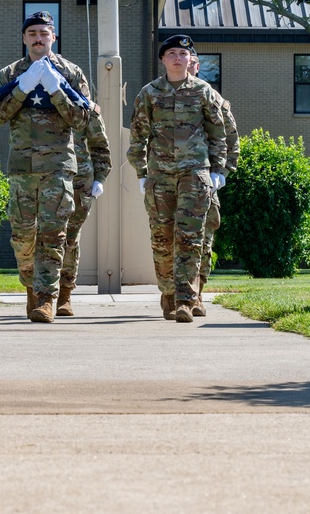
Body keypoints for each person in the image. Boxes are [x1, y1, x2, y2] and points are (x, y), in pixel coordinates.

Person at [0, 11, 91, 323]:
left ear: (53, 38)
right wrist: (23, 88)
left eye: (44, 33)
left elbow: (82, 119)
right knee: (22, 237)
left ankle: (46, 299)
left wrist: (57, 91)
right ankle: (31, 288)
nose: (38, 38)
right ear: (24, 38)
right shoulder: (9, 74)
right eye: (32, 33)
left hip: (58, 166)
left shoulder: (71, 73)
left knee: (54, 234)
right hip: (21, 167)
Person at [127, 34, 227, 323]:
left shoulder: (203, 91)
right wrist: (141, 172)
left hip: (195, 174)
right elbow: (138, 135)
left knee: (190, 238)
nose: (177, 58)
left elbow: (217, 133)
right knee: (162, 238)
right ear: (162, 59)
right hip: (160, 175)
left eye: (183, 54)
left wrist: (217, 170)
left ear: (190, 59)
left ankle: (186, 299)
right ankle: (168, 294)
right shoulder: (149, 93)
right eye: (171, 53)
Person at [188, 53, 240, 317]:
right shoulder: (160, 95)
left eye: (192, 62)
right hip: (171, 181)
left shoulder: (215, 100)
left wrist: (222, 173)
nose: (186, 65)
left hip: (205, 182)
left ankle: (196, 294)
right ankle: (177, 295)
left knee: (204, 241)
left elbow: (231, 139)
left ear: (197, 66)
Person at [57, 105, 112, 316]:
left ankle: (64, 295)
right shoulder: (43, 101)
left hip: (80, 180)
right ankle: (41, 293)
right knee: (46, 236)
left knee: (70, 238)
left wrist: (100, 177)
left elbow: (100, 146)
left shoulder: (86, 108)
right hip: (50, 175)